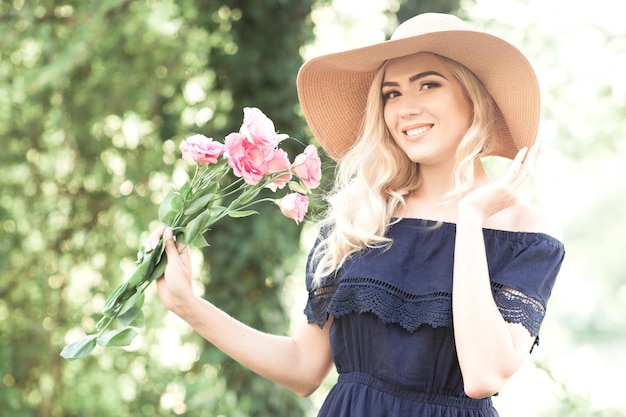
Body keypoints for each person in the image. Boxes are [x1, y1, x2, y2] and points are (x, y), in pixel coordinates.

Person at [146, 12, 565, 416]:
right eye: (392, 93)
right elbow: (303, 369)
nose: (406, 108)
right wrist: (187, 304)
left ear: (475, 99)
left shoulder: (527, 234)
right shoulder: (359, 219)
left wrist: (471, 218)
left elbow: (483, 376)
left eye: (428, 85)